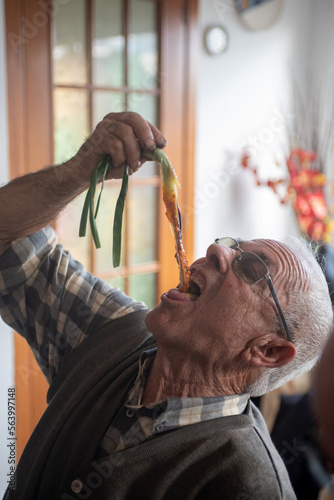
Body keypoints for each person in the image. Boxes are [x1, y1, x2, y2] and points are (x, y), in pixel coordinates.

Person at [0, 112, 332, 500]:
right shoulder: (117, 329)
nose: (216, 249)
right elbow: (9, 238)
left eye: (251, 267)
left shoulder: (248, 486)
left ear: (268, 349)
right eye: (233, 243)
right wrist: (78, 169)